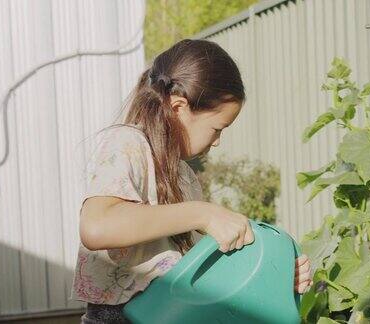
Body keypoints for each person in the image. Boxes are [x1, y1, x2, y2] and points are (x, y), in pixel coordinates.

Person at [70, 39, 312, 323]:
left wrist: (274, 275)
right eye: (217, 128)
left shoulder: (184, 176)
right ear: (178, 107)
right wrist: (202, 213)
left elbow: (197, 274)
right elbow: (97, 227)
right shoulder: (126, 143)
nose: (218, 140)